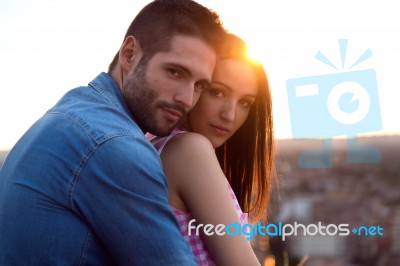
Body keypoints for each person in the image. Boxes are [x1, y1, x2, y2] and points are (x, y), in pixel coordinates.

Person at [0, 0, 226, 265]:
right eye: (175, 72)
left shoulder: (72, 112)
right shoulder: (114, 146)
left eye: (200, 84)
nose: (187, 99)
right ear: (129, 54)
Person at [147, 34, 275, 265]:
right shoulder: (189, 150)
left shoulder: (157, 143)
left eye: (245, 102)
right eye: (217, 92)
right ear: (195, 86)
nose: (230, 115)